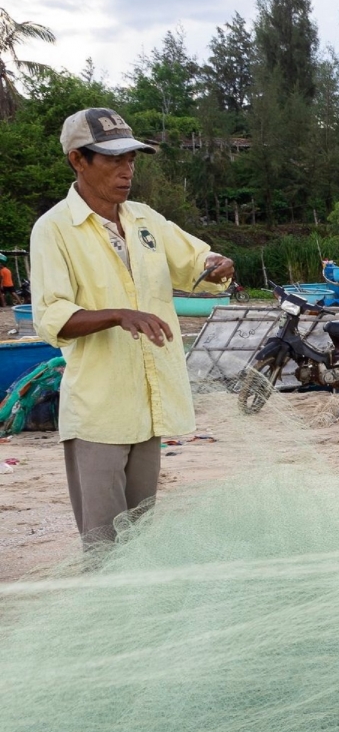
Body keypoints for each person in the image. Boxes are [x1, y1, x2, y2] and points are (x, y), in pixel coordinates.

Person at [30, 108, 233, 547]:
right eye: (113, 160)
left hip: (149, 407)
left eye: (132, 160)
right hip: (99, 414)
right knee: (104, 545)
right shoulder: (54, 230)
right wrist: (119, 314)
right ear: (77, 160)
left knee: (140, 541)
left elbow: (194, 260)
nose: (127, 171)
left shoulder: (145, 220)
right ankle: (105, 615)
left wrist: (215, 266)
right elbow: (52, 316)